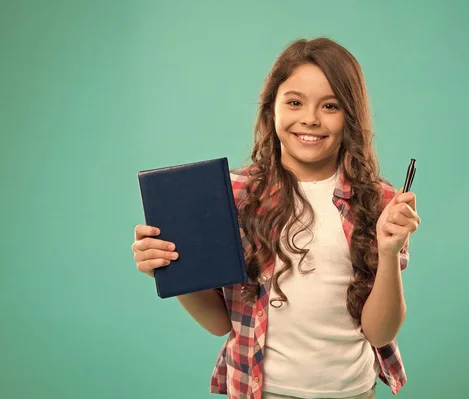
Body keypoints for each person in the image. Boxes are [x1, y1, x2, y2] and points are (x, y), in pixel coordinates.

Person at [131, 37, 421, 399]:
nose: (310, 119)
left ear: (351, 116)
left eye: (330, 105)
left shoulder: (380, 201)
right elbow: (219, 323)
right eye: (295, 102)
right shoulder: (232, 194)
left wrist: (390, 252)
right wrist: (171, 267)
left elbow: (379, 333)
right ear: (271, 109)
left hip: (352, 391)